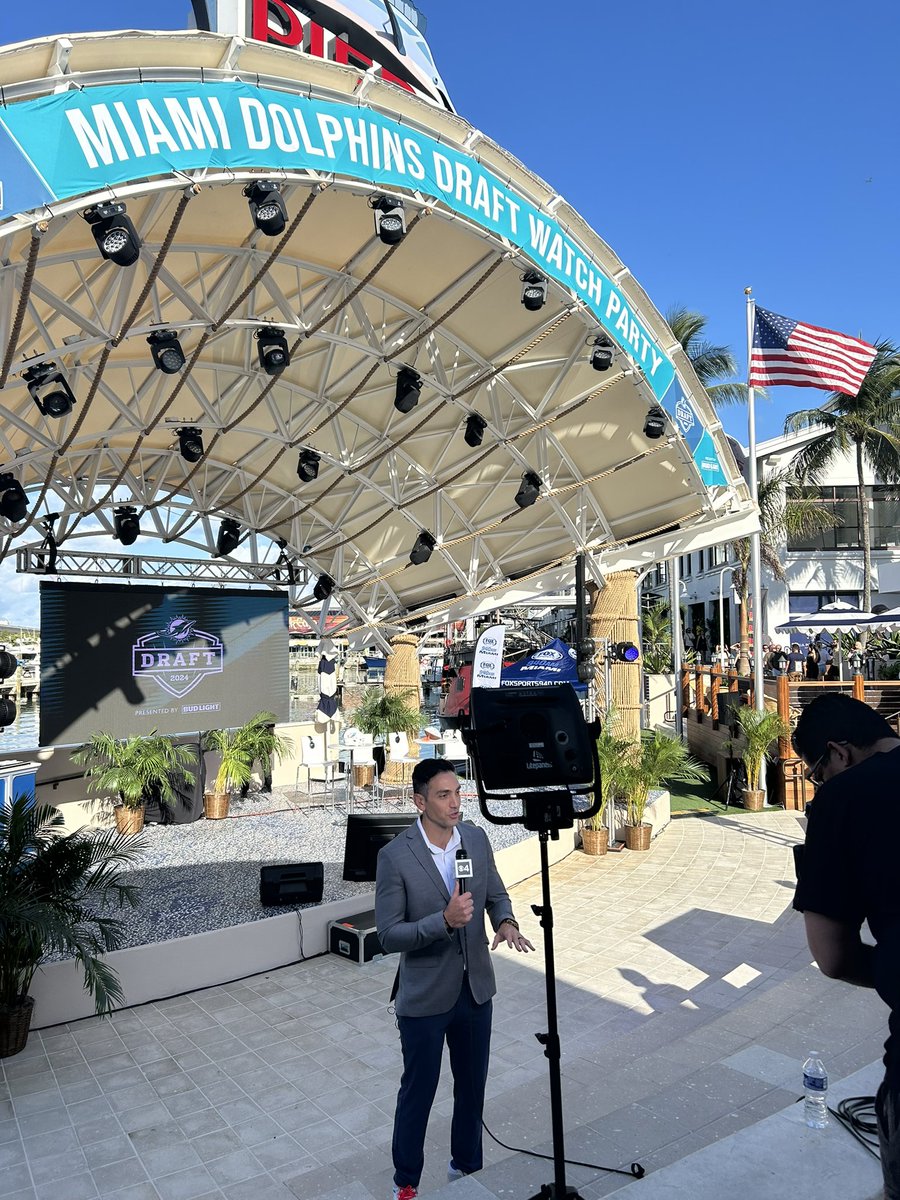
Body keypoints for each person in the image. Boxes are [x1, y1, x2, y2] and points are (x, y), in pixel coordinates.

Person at [375, 758, 534, 1200]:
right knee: (418, 1093)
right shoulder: (395, 857)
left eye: (458, 792)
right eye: (444, 795)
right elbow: (388, 935)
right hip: (425, 998)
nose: (455, 802)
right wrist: (442, 922)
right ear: (419, 801)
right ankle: (405, 1182)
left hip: (475, 990)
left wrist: (505, 920)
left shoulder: (477, 840)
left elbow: (496, 892)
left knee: (472, 1089)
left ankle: (467, 1167)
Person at [791, 694, 900, 1199]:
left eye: (816, 772)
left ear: (838, 754)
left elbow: (832, 956)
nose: (819, 784)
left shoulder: (844, 799)